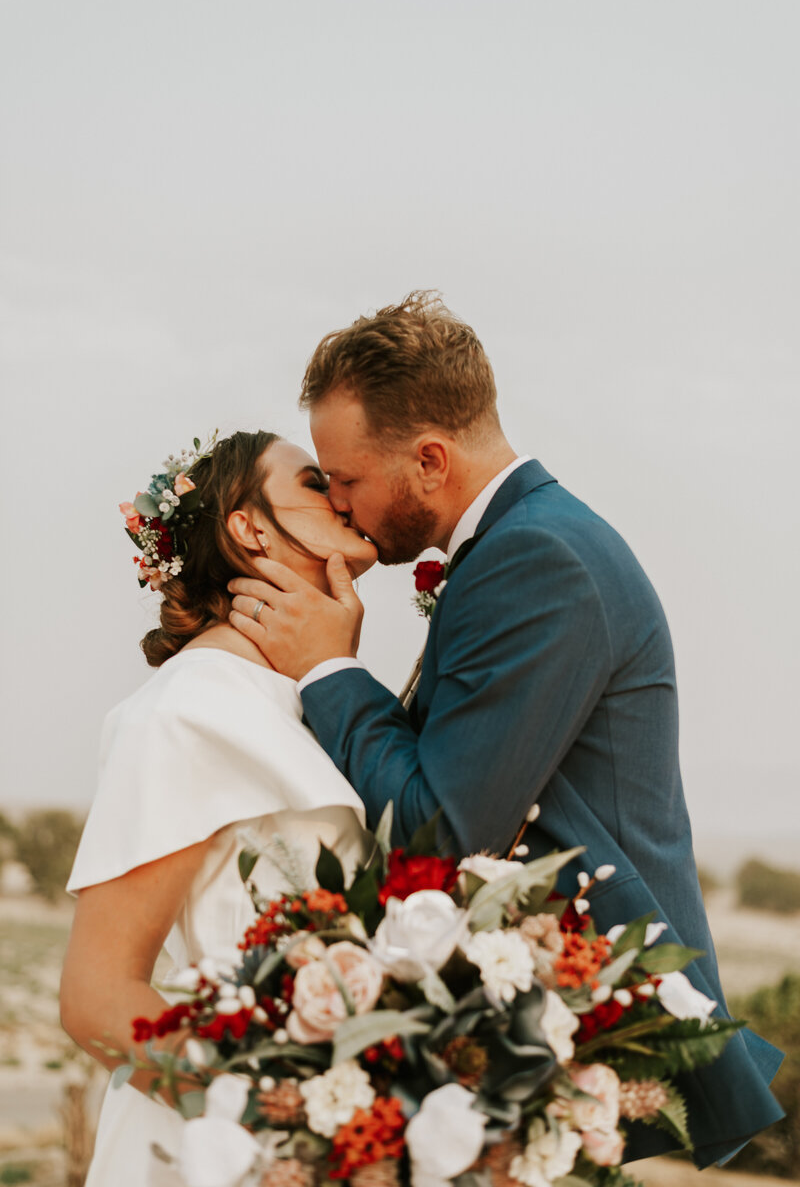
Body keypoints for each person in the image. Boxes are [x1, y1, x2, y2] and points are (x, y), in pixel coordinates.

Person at [228, 292, 784, 1167]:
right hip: (533, 1018)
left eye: (346, 479)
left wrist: (329, 669)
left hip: (581, 1023)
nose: (338, 502)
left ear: (430, 460)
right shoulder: (522, 542)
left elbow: (442, 828)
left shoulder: (538, 559)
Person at [61, 430, 376, 1185]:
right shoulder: (184, 710)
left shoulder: (307, 706)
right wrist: (273, 1122)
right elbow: (97, 998)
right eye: (312, 481)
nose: (340, 493)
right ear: (249, 526)